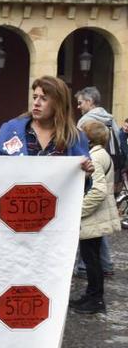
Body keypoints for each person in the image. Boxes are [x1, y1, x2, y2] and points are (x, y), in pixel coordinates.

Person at [0, 75, 93, 348]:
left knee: (45, 290)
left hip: (50, 233)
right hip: (9, 228)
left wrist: (85, 172)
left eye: (44, 97)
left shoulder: (73, 139)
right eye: (34, 96)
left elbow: (81, 188)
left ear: (58, 102)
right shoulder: (12, 130)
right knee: (5, 286)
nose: (36, 102)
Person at [71, 121, 120, 315]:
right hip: (96, 216)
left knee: (91, 260)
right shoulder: (102, 154)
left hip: (92, 217)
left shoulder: (95, 157)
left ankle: (96, 300)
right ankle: (91, 296)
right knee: (93, 259)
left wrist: (78, 210)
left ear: (89, 137)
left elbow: (98, 191)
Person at [75, 87, 118, 277]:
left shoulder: (86, 121)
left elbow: (77, 145)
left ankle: (87, 268)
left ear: (90, 102)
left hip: (93, 167)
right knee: (98, 223)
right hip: (108, 164)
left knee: (90, 225)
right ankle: (105, 264)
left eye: (80, 102)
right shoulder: (109, 118)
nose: (78, 106)